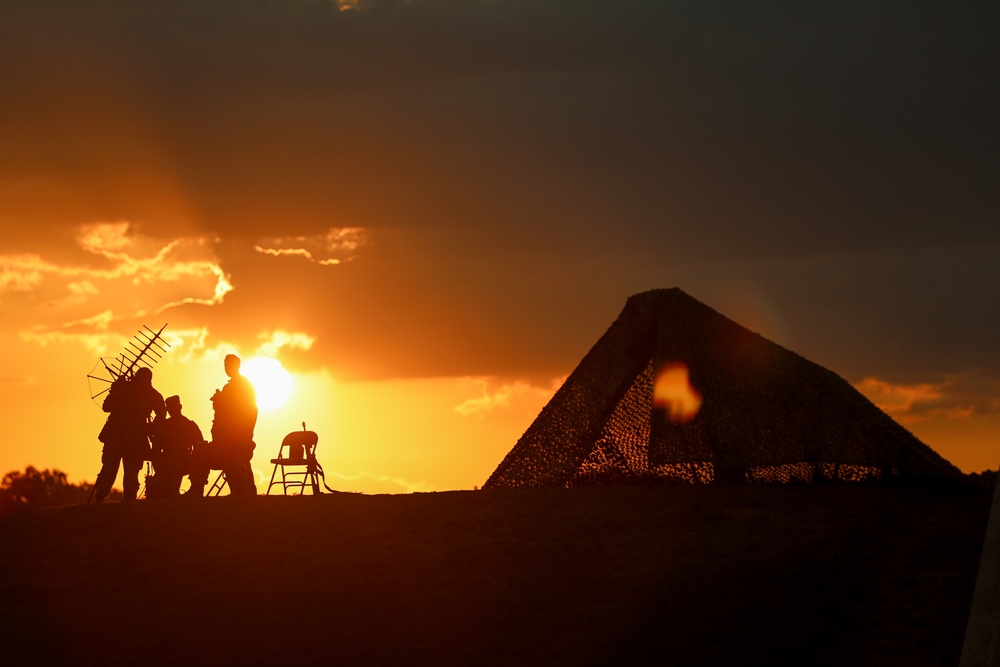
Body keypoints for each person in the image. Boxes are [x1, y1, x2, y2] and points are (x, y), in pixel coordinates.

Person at [187, 354, 258, 496]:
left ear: (237, 366)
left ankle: (198, 490)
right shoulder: (234, 387)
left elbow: (248, 411)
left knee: (205, 454)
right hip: (228, 440)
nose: (226, 368)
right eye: (225, 366)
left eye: (229, 365)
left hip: (234, 441)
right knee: (202, 452)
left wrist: (244, 435)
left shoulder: (241, 387)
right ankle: (197, 490)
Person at [94, 367, 165, 502]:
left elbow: (161, 413)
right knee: (111, 468)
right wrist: (116, 390)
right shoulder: (127, 390)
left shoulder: (146, 393)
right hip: (118, 435)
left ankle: (126, 499)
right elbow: (107, 407)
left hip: (132, 438)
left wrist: (151, 428)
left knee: (130, 472)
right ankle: (104, 494)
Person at [148, 395, 205, 498]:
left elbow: (200, 446)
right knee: (166, 492)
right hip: (168, 463)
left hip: (184, 461)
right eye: (169, 408)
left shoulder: (189, 425)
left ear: (180, 407)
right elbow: (156, 448)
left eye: (173, 407)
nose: (171, 410)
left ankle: (195, 490)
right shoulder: (165, 426)